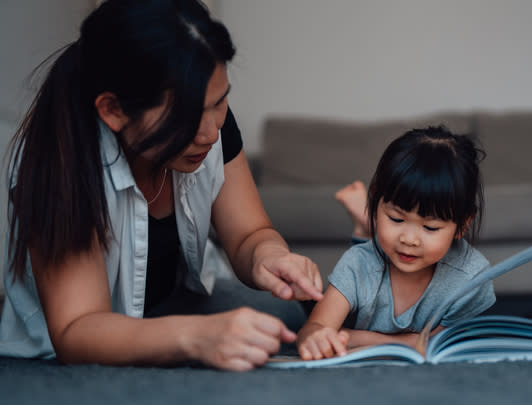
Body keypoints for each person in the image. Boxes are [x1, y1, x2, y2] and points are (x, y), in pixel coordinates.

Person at [0, 0, 324, 371]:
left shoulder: (211, 124)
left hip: (176, 305)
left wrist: (269, 256)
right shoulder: (59, 156)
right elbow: (78, 329)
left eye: (220, 102)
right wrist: (199, 337)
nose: (209, 132)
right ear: (114, 111)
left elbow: (250, 232)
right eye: (185, 117)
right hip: (71, 341)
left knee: (299, 316)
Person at [296, 126, 496, 360]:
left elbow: (441, 345)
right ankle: (366, 226)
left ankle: (367, 226)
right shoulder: (359, 263)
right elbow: (313, 329)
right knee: (369, 252)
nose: (409, 240)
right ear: (376, 202)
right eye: (396, 218)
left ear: (462, 225)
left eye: (430, 227)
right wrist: (316, 337)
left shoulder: (470, 275)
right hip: (369, 262)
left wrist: (352, 336)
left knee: (379, 242)